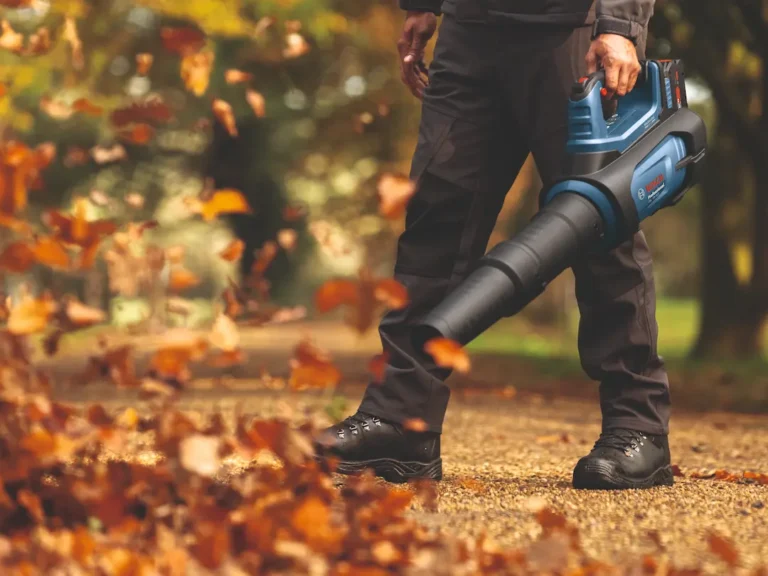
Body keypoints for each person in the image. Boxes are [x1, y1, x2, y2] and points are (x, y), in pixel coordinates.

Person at [316, 0, 674, 490]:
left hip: (573, 30)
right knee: (435, 225)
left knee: (596, 222)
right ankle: (401, 420)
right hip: (470, 30)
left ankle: (638, 425)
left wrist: (621, 26)